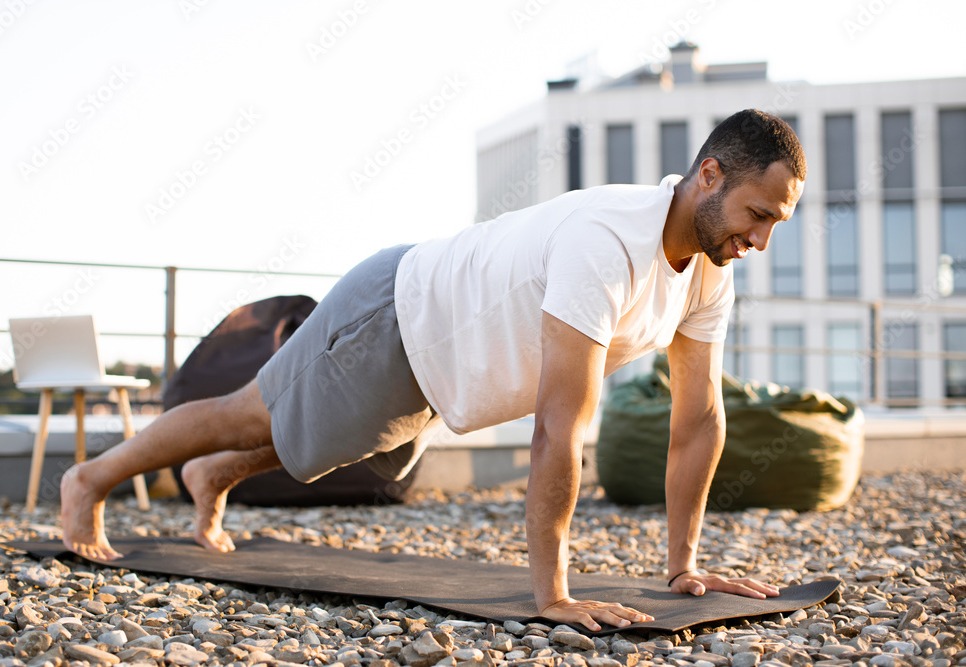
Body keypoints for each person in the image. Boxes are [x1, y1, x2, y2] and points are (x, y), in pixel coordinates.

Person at [62, 108, 805, 633]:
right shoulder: (606, 242)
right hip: (395, 312)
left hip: (441, 358)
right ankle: (90, 480)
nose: (761, 239)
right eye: (757, 214)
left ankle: (212, 475)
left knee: (330, 448)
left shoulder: (711, 266)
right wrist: (552, 595)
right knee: (248, 410)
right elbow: (560, 424)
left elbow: (699, 416)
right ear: (709, 175)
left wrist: (683, 567)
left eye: (776, 221)